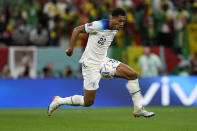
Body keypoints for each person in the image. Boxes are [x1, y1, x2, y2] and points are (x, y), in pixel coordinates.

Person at [48, 8, 155, 118]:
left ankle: (138, 109)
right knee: (88, 102)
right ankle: (59, 101)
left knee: (133, 75)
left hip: (104, 62)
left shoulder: (115, 28)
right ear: (112, 18)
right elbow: (76, 30)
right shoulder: (99, 25)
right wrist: (71, 49)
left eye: (123, 21)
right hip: (90, 65)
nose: (122, 24)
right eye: (119, 21)